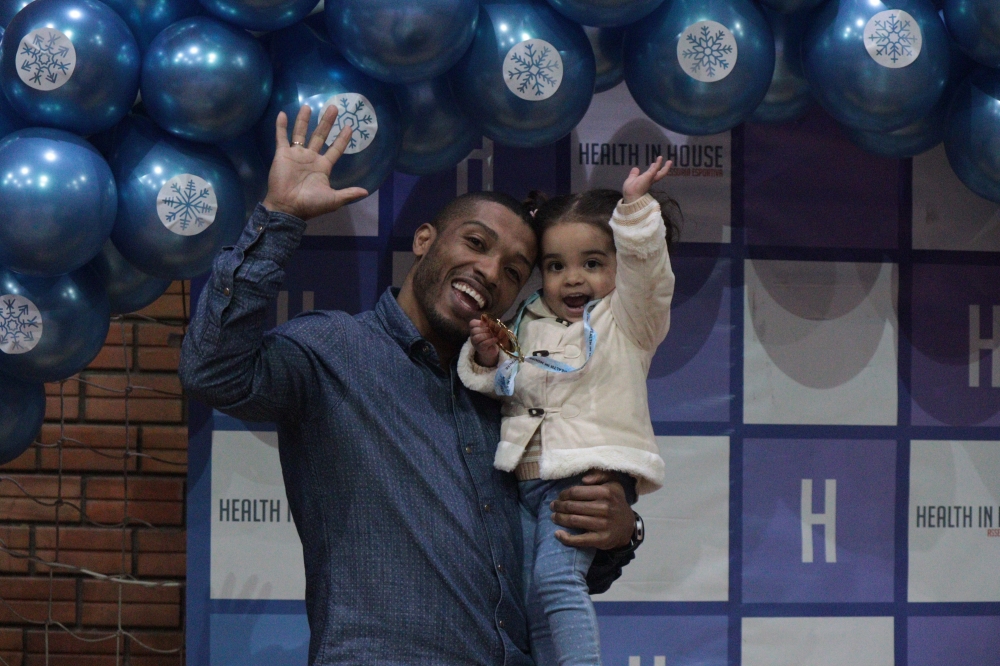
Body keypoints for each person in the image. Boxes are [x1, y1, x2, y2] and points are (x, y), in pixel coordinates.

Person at [179, 104, 645, 665]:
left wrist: (618, 532)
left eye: (514, 271)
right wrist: (279, 217)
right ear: (425, 239)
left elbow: (559, 574)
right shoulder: (335, 350)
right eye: (476, 243)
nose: (490, 272)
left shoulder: (514, 392)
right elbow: (212, 371)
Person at [458, 160, 677, 665]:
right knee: (531, 595)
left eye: (593, 263)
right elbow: (508, 387)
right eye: (556, 266)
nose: (572, 279)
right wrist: (490, 359)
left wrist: (636, 211)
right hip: (524, 481)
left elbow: (649, 273)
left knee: (557, 582)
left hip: (585, 477)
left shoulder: (630, 318)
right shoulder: (528, 319)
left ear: (620, 264)